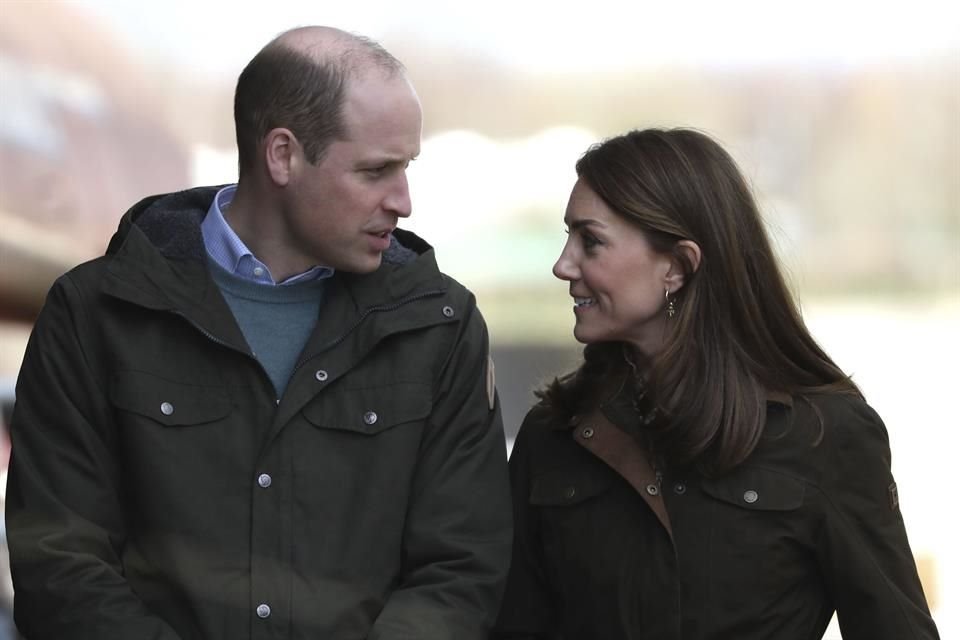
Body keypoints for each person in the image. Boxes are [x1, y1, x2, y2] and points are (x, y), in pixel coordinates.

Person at [5, 26, 512, 639]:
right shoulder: (94, 314)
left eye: (405, 168)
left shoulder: (440, 325)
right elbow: (58, 561)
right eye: (377, 170)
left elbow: (461, 570)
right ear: (282, 156)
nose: (403, 201)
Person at [492, 128, 939, 639]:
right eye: (568, 237)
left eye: (590, 241)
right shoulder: (555, 433)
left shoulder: (825, 435)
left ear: (677, 266)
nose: (562, 264)